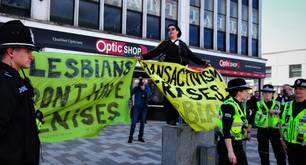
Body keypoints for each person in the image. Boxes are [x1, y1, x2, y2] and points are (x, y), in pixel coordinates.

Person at [139, 24, 208, 125]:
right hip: (170, 75)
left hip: (182, 75)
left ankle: (185, 117)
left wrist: (204, 63)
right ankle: (171, 119)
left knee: (184, 95)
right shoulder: (165, 44)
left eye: (172, 29)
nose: (170, 31)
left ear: (177, 32)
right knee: (170, 96)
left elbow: (192, 56)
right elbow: (155, 52)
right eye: (168, 30)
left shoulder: (183, 45)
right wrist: (143, 57)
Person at [0, 20, 40, 164]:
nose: (32, 56)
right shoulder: (4, 83)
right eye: (27, 50)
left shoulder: (15, 80)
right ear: (11, 52)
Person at [249, 84, 286, 165]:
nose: (267, 94)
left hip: (275, 131)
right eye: (265, 92)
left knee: (280, 154)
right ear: (262, 94)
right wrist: (248, 132)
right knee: (264, 154)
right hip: (262, 131)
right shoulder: (257, 104)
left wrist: (277, 111)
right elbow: (251, 119)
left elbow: (284, 117)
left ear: (272, 94)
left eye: (269, 92)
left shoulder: (278, 104)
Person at [217, 78, 250, 165]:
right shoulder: (229, 106)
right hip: (229, 146)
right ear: (238, 92)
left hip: (237, 144)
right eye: (245, 90)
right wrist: (230, 152)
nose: (247, 93)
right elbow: (226, 130)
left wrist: (247, 133)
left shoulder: (239, 104)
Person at [281, 79, 306, 165]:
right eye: (296, 88)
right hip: (290, 145)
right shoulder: (288, 105)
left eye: (301, 88)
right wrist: (282, 140)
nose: (298, 90)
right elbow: (282, 123)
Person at [128, 78, 151, 143]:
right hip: (136, 108)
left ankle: (140, 137)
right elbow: (130, 93)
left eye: (142, 82)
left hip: (144, 108)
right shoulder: (136, 88)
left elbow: (150, 95)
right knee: (134, 122)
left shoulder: (147, 87)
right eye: (140, 82)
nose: (141, 83)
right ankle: (130, 137)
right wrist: (136, 86)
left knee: (142, 123)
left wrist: (145, 88)